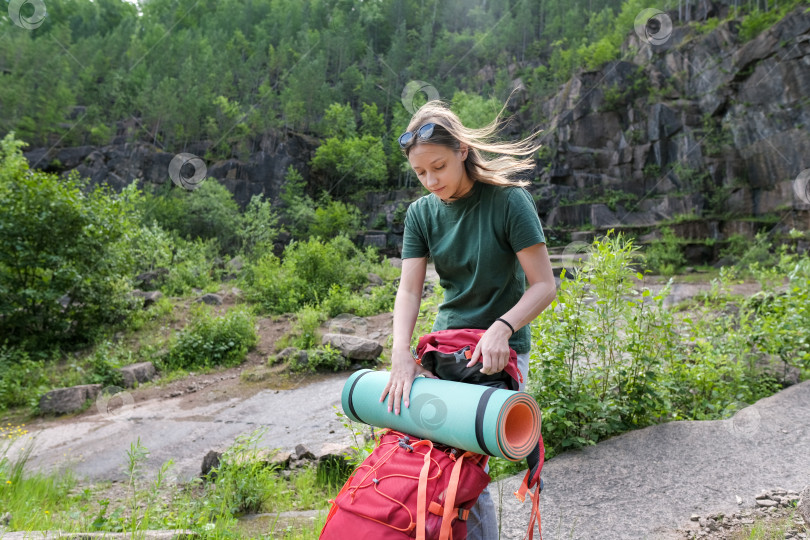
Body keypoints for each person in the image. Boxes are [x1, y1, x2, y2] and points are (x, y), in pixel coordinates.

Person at [379, 99, 557, 539]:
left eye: (438, 166)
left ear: (461, 150)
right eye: (421, 174)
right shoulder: (421, 214)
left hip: (501, 351)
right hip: (446, 348)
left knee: (466, 464)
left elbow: (544, 286)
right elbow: (409, 289)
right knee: (426, 456)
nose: (431, 181)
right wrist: (401, 353)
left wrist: (503, 326)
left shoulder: (509, 201)